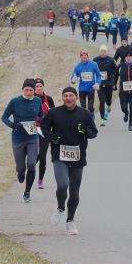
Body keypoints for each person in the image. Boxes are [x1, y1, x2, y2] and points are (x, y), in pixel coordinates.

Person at [41, 87, 98, 235]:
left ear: (76, 98)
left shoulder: (84, 113)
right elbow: (43, 128)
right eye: (65, 95)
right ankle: (60, 207)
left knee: (74, 191)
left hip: (78, 156)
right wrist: (52, 137)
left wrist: (85, 130)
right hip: (59, 155)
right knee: (62, 185)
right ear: (62, 98)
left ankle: (70, 221)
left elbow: (93, 132)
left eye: (71, 95)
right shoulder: (54, 113)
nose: (68, 98)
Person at [1, 79, 46, 203]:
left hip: (32, 137)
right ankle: (20, 173)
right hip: (18, 138)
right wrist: (13, 125)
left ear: (34, 91)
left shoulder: (37, 101)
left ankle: (27, 193)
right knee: (21, 168)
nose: (29, 92)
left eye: (31, 90)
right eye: (26, 89)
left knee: (31, 164)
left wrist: (39, 123)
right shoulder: (15, 101)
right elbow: (4, 117)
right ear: (22, 90)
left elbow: (41, 115)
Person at [34, 78, 56, 189]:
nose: (38, 88)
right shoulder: (30, 98)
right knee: (33, 156)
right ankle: (30, 166)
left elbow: (54, 114)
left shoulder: (49, 99)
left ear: (43, 87)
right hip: (32, 130)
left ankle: (40, 180)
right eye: (36, 86)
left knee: (42, 156)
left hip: (45, 131)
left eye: (40, 86)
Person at [70, 50, 102, 119]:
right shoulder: (78, 66)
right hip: (82, 89)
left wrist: (97, 83)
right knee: (83, 106)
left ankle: (91, 118)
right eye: (82, 55)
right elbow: (73, 77)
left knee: (90, 106)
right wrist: (73, 79)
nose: (84, 57)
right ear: (80, 57)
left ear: (87, 56)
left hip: (91, 88)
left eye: (85, 55)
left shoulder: (94, 64)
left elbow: (99, 75)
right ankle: (84, 119)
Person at [116, 53, 132, 132]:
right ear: (125, 58)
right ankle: (126, 113)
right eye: (127, 57)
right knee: (123, 107)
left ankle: (130, 123)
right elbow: (116, 75)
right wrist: (114, 84)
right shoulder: (120, 66)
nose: (128, 58)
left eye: (130, 57)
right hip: (123, 91)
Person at [93, 45, 117, 126]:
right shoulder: (95, 60)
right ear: (99, 52)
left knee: (108, 99)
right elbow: (92, 70)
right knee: (102, 101)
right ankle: (102, 119)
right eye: (101, 51)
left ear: (107, 52)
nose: (103, 53)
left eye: (104, 51)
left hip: (109, 83)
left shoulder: (110, 60)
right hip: (99, 83)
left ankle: (109, 105)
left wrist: (112, 77)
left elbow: (115, 70)